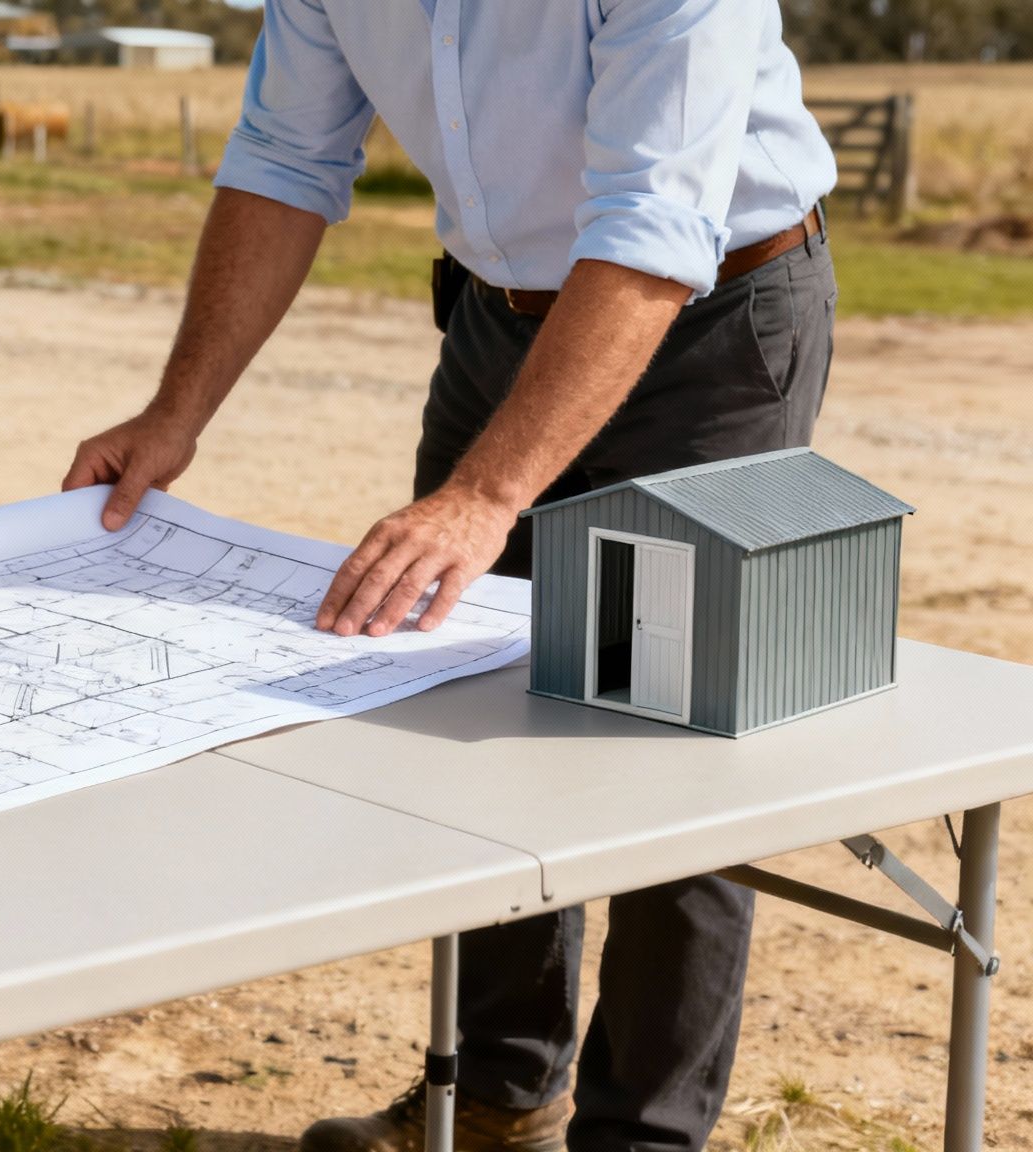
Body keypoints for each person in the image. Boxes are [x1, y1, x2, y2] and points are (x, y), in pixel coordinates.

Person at [63, 2, 837, 1149]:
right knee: (468, 705)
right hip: (496, 318)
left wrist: (482, 496)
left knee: (672, 745)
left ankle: (642, 1137)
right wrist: (173, 416)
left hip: (708, 321)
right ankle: (501, 1094)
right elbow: (284, 158)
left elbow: (651, 223)